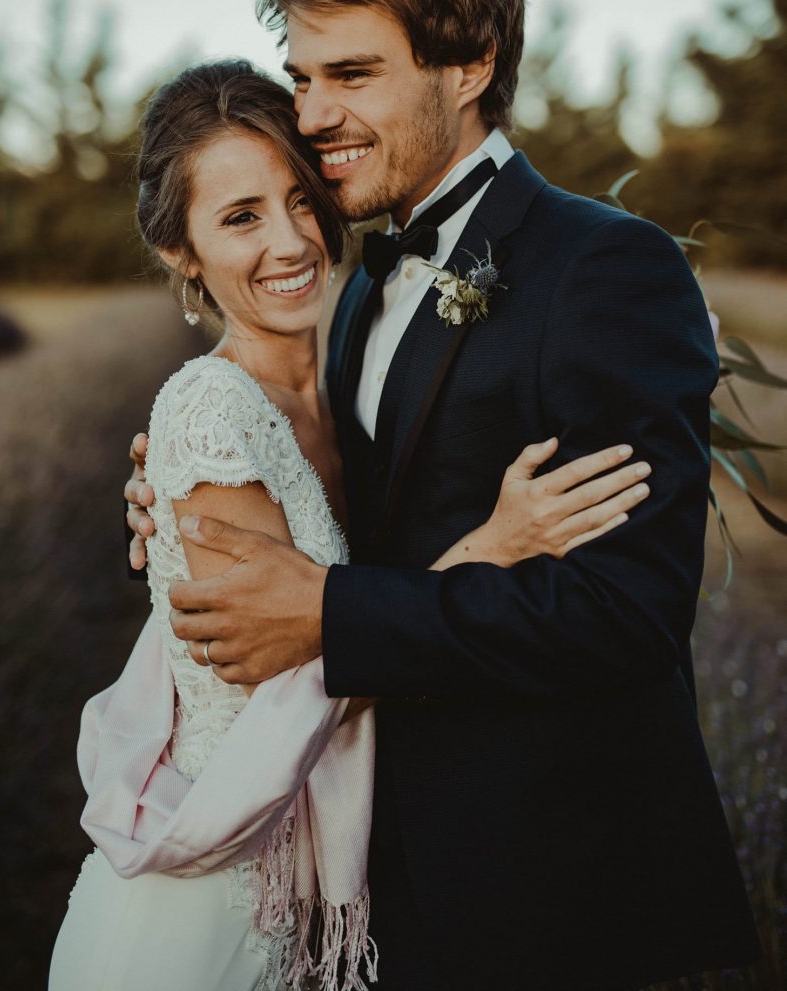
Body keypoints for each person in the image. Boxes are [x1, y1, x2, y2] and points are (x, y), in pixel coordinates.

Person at [125, 0, 760, 989]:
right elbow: (350, 516)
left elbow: (626, 614)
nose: (313, 113)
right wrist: (191, 499)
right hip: (383, 879)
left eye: (353, 75)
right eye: (304, 78)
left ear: (467, 68)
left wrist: (326, 611)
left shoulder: (607, 268)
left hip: (560, 898)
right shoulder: (357, 292)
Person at [51, 60, 649, 991]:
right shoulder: (211, 412)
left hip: (331, 887)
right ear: (181, 251)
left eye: (299, 198)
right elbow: (294, 671)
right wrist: (489, 548)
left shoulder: (342, 359)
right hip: (215, 905)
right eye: (240, 216)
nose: (291, 242)